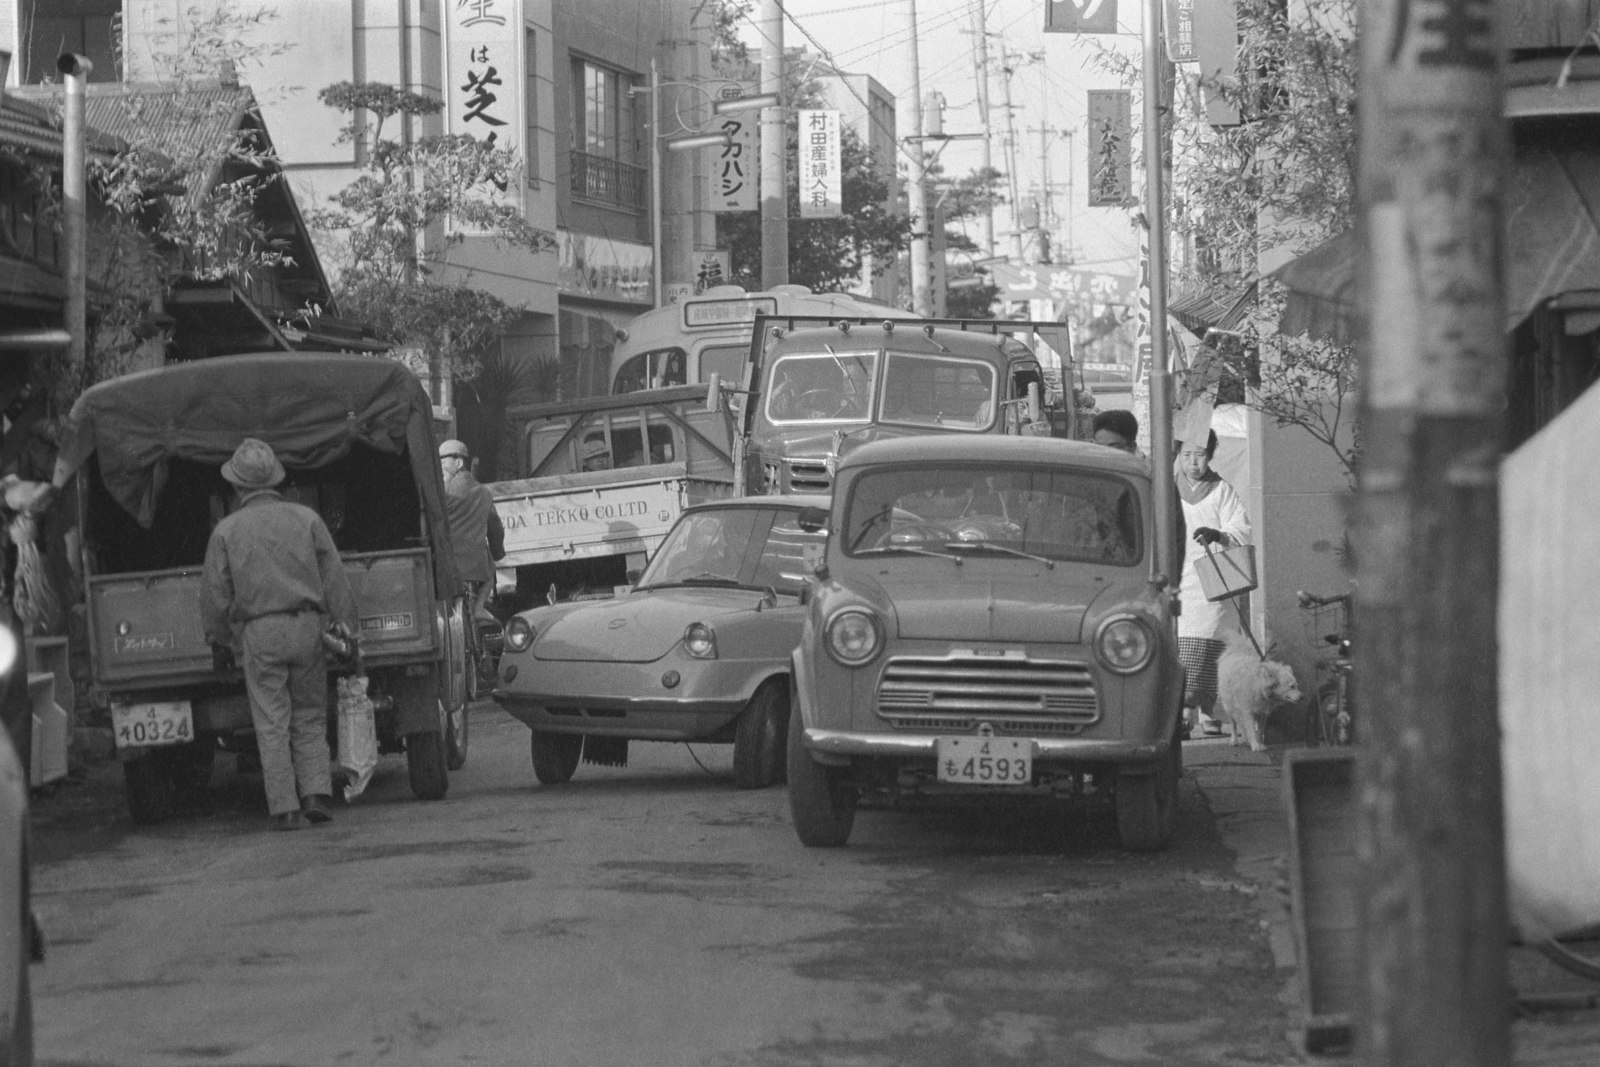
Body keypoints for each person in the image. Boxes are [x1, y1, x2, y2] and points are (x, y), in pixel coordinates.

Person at [202, 439, 358, 831]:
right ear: (275, 480)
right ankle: (317, 795)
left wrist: (219, 642)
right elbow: (334, 578)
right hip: (307, 627)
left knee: (272, 720)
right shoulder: (307, 519)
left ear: (237, 487)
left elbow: (215, 596)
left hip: (260, 631)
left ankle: (285, 807)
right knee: (308, 714)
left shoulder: (226, 531)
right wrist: (346, 627)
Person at [1174, 429, 1251, 738]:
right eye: (1188, 455)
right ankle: (1182, 711)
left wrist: (1218, 534)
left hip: (1212, 576)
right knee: (1180, 645)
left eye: (1200, 455)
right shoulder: (1166, 490)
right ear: (1178, 456)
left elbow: (1241, 529)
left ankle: (1207, 711)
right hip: (1179, 575)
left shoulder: (1222, 490)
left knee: (1211, 644)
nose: (1194, 463)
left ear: (1210, 455)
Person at [439, 439, 505, 620]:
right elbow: (495, 529)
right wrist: (498, 553)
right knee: (491, 571)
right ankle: (479, 608)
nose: (440, 468)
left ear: (459, 463)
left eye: (443, 462)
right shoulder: (484, 493)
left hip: (448, 566)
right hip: (477, 566)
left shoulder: (442, 493)